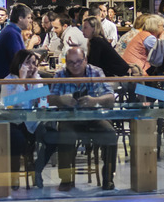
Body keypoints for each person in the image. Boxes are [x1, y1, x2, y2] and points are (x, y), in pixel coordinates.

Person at [49, 47, 117, 191]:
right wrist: (61, 100)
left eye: (79, 62)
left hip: (95, 116)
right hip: (69, 118)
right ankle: (66, 179)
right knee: (66, 136)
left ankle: (108, 177)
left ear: (85, 60)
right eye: (71, 63)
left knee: (110, 134)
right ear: (66, 63)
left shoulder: (96, 72)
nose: (75, 66)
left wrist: (95, 100)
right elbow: (50, 99)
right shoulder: (60, 74)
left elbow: (111, 98)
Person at [2, 50, 56, 188]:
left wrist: (34, 83)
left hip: (33, 122)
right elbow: (12, 102)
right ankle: (13, 175)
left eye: (34, 63)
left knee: (53, 137)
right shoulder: (8, 81)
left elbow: (43, 103)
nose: (32, 67)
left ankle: (36, 169)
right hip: (15, 122)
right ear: (19, 64)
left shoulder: (37, 80)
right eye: (27, 63)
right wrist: (22, 81)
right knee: (17, 140)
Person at [0, 3, 32, 79]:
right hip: (10, 82)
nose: (30, 21)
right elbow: (18, 61)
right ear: (20, 18)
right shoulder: (11, 34)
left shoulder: (11, 31)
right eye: (28, 18)